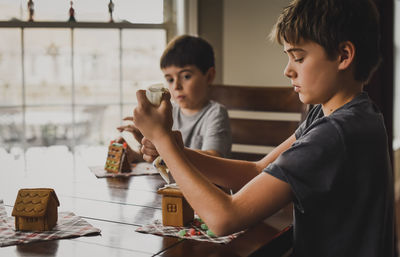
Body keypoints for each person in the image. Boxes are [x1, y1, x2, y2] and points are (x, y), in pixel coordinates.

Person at [132, 0, 395, 256]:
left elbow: (225, 218)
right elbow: (256, 170)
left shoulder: (335, 133)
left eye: (299, 58)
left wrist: (164, 141)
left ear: (343, 55)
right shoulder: (346, 115)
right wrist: (176, 151)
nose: (287, 70)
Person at [118, 35, 232, 162]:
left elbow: (214, 159)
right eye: (170, 79)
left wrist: (163, 145)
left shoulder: (215, 113)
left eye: (186, 76)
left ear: (209, 76)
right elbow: (160, 160)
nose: (176, 86)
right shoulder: (168, 111)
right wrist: (137, 153)